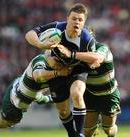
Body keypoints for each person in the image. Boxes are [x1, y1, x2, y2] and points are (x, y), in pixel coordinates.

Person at [25, 3, 98, 137]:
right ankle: (72, 134)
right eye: (74, 18)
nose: (76, 22)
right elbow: (30, 34)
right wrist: (41, 44)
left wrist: (72, 54)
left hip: (77, 70)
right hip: (57, 70)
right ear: (67, 19)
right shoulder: (57, 28)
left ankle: (80, 134)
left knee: (76, 94)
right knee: (63, 111)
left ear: (84, 23)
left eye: (80, 20)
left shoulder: (87, 39)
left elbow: (96, 59)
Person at [0, 53, 70, 131]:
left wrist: (55, 98)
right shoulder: (41, 62)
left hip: (16, 90)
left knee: (7, 122)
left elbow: (41, 99)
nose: (58, 65)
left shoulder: (36, 90)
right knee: (5, 122)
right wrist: (57, 73)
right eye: (57, 60)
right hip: (14, 102)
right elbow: (37, 76)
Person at [57, 42, 121, 137]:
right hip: (90, 94)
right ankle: (94, 130)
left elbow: (97, 59)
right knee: (87, 132)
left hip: (108, 95)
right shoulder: (78, 52)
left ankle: (112, 131)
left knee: (108, 130)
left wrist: (72, 55)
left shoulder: (102, 48)